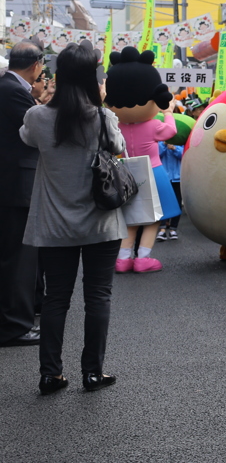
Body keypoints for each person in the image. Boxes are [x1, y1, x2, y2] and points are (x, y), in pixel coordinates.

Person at [21, 42, 126, 394]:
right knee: (98, 296)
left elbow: (27, 138)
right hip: (100, 223)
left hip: (54, 225)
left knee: (55, 298)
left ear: (60, 77)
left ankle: (50, 373)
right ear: (92, 79)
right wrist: (102, 98)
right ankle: (93, 372)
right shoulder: (102, 118)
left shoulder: (37, 117)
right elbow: (119, 148)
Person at [105, 48, 180, 274]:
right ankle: (143, 258)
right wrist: (169, 112)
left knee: (129, 218)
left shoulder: (114, 125)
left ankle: (123, 258)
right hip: (153, 171)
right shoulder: (153, 125)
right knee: (153, 218)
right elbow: (171, 131)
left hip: (123, 173)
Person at [0, 41, 44, 348]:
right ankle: (14, 326)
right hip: (15, 184)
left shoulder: (8, 87)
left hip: (12, 182)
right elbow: (37, 130)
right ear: (36, 65)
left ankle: (16, 319)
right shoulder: (13, 91)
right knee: (18, 258)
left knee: (15, 256)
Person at [156, 141, 184, 241]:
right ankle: (162, 229)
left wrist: (175, 148)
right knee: (163, 203)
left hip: (178, 178)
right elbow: (156, 155)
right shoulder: (159, 143)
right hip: (164, 177)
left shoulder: (180, 142)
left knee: (177, 203)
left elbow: (184, 155)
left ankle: (173, 229)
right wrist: (164, 145)